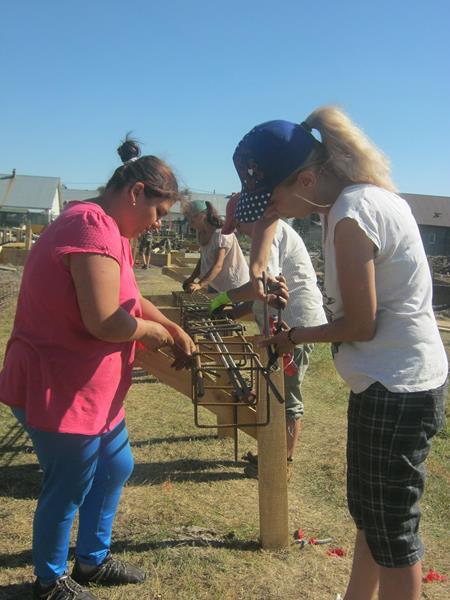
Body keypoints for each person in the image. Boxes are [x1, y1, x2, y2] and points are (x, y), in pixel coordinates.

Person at [230, 111, 447, 600]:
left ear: (307, 179)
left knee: (392, 528)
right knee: (371, 511)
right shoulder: (350, 204)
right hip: (385, 381)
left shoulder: (351, 214)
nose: (277, 212)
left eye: (279, 199)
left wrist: (295, 337)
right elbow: (266, 220)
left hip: (398, 386)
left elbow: (360, 324)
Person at [0, 135, 195, 600]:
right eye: (158, 213)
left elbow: (129, 294)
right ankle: (49, 581)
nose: (156, 224)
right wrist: (155, 335)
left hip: (90, 388)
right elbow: (106, 320)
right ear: (136, 193)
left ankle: (91, 560)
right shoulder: (89, 225)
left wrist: (168, 322)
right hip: (60, 384)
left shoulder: (112, 230)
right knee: (68, 483)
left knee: (114, 464)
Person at [210, 193, 327, 475]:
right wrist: (232, 312)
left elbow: (266, 284)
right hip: (281, 323)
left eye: (237, 224)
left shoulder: (272, 232)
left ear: (248, 215)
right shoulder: (265, 237)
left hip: (295, 325)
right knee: (272, 390)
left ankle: (281, 463)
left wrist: (224, 296)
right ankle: (271, 454)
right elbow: (261, 296)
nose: (237, 231)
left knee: (286, 394)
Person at [181, 199, 249, 293]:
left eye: (190, 218)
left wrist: (200, 284)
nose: (189, 222)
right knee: (213, 308)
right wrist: (192, 278)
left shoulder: (221, 233)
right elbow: (203, 258)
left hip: (233, 285)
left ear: (201, 216)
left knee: (234, 308)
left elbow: (218, 265)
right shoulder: (200, 232)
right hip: (215, 283)